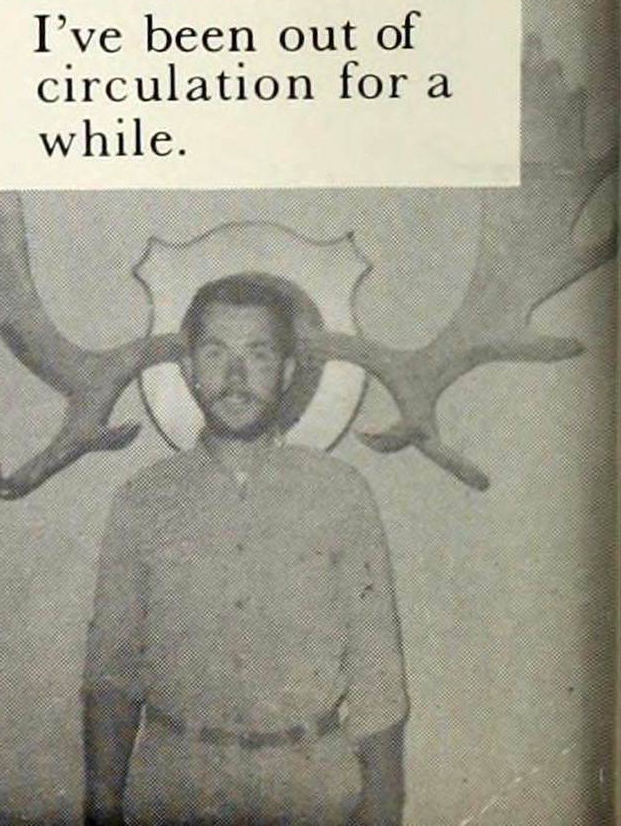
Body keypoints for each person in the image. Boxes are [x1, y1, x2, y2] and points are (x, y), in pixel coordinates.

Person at [82, 273, 409, 826]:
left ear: (287, 371)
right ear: (189, 368)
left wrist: (382, 808)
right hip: (176, 790)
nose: (235, 378)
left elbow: (377, 672)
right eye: (216, 353)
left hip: (309, 789)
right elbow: (112, 672)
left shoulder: (341, 494)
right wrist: (101, 806)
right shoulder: (143, 499)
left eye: (257, 354)